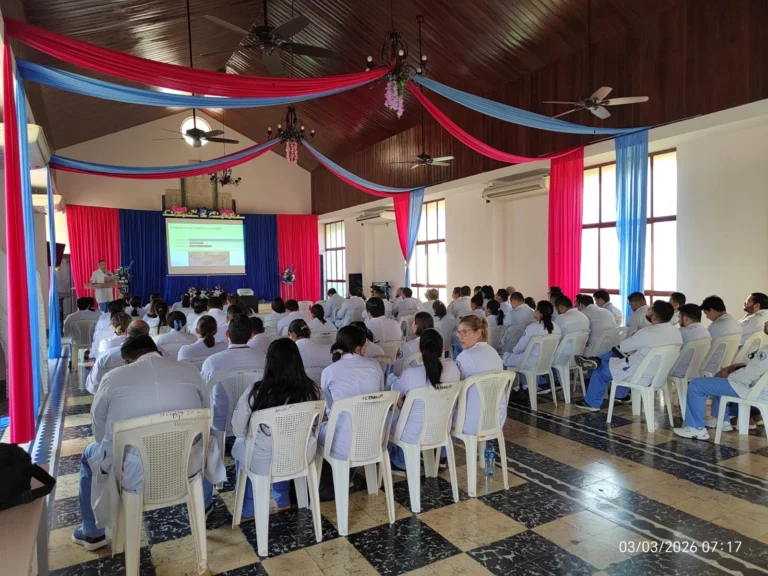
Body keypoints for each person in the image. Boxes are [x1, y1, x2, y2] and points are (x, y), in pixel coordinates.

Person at [73, 336, 208, 550]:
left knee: (90, 453)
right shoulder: (189, 371)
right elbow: (205, 412)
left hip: (135, 472)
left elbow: (99, 432)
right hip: (187, 465)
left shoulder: (113, 378)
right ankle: (205, 505)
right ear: (158, 352)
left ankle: (92, 533)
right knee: (205, 446)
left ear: (127, 360)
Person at [212, 338, 321, 516]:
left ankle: (249, 507)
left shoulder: (256, 392)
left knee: (244, 447)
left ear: (269, 362)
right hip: (301, 455)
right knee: (283, 445)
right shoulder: (313, 390)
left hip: (263, 461)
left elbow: (238, 429)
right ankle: (282, 499)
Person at [574, 300, 682, 411]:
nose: (647, 311)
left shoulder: (647, 332)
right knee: (617, 360)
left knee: (600, 371)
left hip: (640, 374)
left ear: (654, 317)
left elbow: (624, 347)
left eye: (649, 309)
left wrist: (635, 335)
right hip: (658, 375)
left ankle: (592, 403)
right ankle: (620, 394)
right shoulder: (676, 332)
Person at [673, 321, 768, 439]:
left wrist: (729, 375)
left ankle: (695, 427)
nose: (765, 323)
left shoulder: (766, 351)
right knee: (718, 378)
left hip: (753, 391)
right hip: (758, 389)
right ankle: (720, 419)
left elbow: (747, 375)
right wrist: (734, 368)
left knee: (696, 384)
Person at [388, 329, 461, 470]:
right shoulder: (453, 368)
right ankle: (439, 455)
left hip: (413, 434)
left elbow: (394, 393)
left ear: (419, 349)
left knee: (389, 418)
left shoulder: (411, 374)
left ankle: (400, 460)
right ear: (443, 348)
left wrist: (403, 399)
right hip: (442, 428)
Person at [319, 325, 384, 459]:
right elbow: (380, 394)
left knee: (316, 430)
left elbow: (330, 408)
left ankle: (332, 476)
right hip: (374, 438)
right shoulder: (375, 366)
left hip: (342, 443)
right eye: (365, 344)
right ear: (357, 348)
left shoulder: (329, 371)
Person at [455, 315, 505, 434]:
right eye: (459, 333)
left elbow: (455, 390)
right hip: (497, 419)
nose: (460, 337)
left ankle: (442, 451)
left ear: (478, 333)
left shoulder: (465, 357)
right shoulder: (493, 352)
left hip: (472, 423)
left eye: (465, 332)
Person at [86, 320, 150, 394]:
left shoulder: (107, 356)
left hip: (115, 399)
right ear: (148, 334)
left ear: (126, 332)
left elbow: (93, 387)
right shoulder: (160, 353)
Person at [503, 301, 561, 380]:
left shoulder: (533, 327)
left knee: (505, 356)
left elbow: (519, 348)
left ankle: (515, 387)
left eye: (536, 309)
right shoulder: (557, 327)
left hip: (530, 363)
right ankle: (527, 385)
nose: (534, 311)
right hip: (547, 362)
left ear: (540, 313)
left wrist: (512, 351)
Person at [700, 295, 743, 375]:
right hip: (727, 365)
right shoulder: (736, 324)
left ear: (712, 310)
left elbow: (705, 347)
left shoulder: (715, 326)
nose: (706, 317)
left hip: (711, 366)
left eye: (706, 313)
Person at [668, 304, 711, 379]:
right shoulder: (706, 332)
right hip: (696, 370)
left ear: (686, 319)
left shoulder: (681, 333)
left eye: (679, 317)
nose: (678, 321)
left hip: (679, 371)